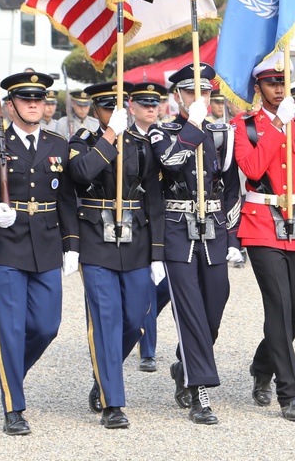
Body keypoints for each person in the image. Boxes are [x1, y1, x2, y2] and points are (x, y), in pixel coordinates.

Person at [0, 72, 78, 436]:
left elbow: (65, 200)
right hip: (6, 246)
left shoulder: (59, 144)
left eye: (39, 99)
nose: (34, 104)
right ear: (10, 105)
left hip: (46, 244)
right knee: (11, 330)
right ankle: (14, 406)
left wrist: (71, 245)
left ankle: (11, 372)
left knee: (47, 326)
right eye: (26, 99)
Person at [232, 64, 295, 422]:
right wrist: (276, 127)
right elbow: (254, 169)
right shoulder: (244, 126)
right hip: (261, 226)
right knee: (278, 305)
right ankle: (290, 392)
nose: (279, 89)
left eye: (283, 83)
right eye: (272, 83)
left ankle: (262, 365)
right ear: (258, 86)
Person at [68, 81, 165, 430]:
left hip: (136, 238)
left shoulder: (141, 142)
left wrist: (157, 252)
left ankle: (103, 373)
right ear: (96, 109)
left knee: (135, 320)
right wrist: (109, 136)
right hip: (96, 238)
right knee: (106, 320)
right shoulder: (84, 140)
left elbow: (154, 197)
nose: (113, 113)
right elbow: (81, 174)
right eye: (107, 108)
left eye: (117, 107)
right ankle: (113, 401)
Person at [152, 62, 240, 425]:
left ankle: (184, 360)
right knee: (188, 311)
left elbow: (232, 187)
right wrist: (193, 125)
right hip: (177, 231)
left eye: (204, 91)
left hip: (214, 230)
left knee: (215, 305)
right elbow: (171, 162)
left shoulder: (223, 134)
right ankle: (199, 391)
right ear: (177, 96)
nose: (199, 98)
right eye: (191, 92)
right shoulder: (163, 131)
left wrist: (232, 236)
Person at [129, 82, 171, 373]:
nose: (151, 109)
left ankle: (139, 324)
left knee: (165, 287)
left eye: (155, 104)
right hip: (137, 219)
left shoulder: (168, 135)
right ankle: (147, 348)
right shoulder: (124, 136)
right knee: (145, 286)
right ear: (132, 107)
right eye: (144, 104)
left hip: (167, 216)